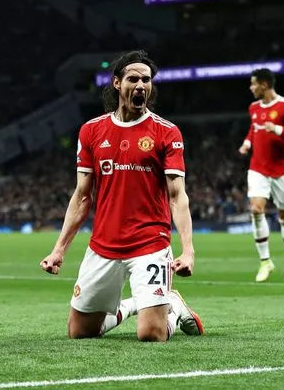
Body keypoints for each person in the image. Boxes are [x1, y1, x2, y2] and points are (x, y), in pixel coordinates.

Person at [40, 50, 204, 342]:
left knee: (151, 334)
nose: (141, 85)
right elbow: (82, 196)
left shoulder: (166, 132)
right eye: (133, 79)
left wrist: (188, 250)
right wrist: (59, 250)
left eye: (146, 80)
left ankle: (173, 308)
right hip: (104, 244)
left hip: (150, 244)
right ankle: (137, 305)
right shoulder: (91, 131)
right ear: (117, 83)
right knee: (80, 332)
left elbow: (177, 196)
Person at [238, 68, 284, 284]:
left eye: (254, 84)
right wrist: (247, 142)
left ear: (265, 85)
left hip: (282, 171)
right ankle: (265, 261)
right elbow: (254, 128)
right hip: (258, 168)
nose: (251, 88)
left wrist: (278, 129)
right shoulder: (254, 108)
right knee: (256, 209)